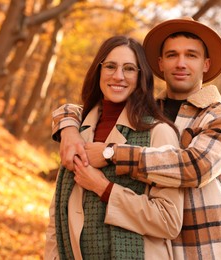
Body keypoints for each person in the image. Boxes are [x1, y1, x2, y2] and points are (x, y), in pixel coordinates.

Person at [52, 17, 221, 259]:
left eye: (191, 56)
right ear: (160, 63)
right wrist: (68, 128)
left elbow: (195, 167)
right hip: (149, 246)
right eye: (172, 55)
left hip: (198, 250)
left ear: (206, 64)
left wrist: (111, 154)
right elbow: (90, 108)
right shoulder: (148, 112)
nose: (181, 63)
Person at [44, 35, 184, 260]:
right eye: (110, 66)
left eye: (129, 69)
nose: (118, 76)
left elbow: (168, 220)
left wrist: (104, 188)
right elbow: (57, 215)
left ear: (141, 77)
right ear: (98, 70)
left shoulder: (158, 132)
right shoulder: (76, 129)